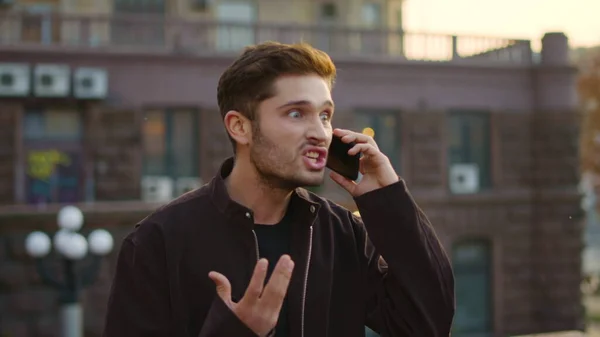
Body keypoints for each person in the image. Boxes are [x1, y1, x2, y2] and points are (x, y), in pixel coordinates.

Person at [103, 41, 455, 337]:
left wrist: (389, 200)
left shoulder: (342, 234)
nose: (320, 132)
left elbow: (427, 323)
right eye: (296, 114)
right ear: (240, 127)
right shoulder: (157, 242)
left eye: (325, 115)